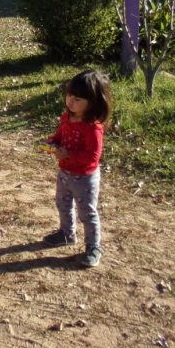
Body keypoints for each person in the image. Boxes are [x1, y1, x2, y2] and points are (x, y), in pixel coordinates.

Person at [40, 69, 111, 268]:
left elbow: (93, 156)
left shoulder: (92, 127)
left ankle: (93, 247)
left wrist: (69, 154)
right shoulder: (67, 117)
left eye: (78, 99)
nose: (71, 101)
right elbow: (60, 136)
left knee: (87, 212)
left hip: (85, 178)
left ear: (93, 102)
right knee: (62, 204)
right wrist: (53, 142)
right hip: (65, 173)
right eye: (69, 95)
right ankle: (66, 233)